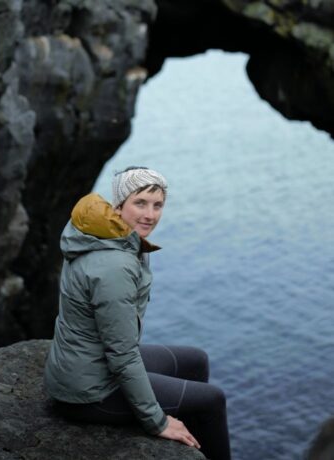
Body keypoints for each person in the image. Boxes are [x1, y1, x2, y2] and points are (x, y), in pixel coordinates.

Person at [44, 166, 231, 460]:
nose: (150, 214)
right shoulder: (113, 267)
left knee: (196, 359)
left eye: (158, 205)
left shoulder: (114, 237)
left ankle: (193, 445)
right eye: (140, 203)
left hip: (93, 363)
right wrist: (156, 421)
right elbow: (122, 355)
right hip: (89, 392)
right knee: (212, 400)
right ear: (119, 205)